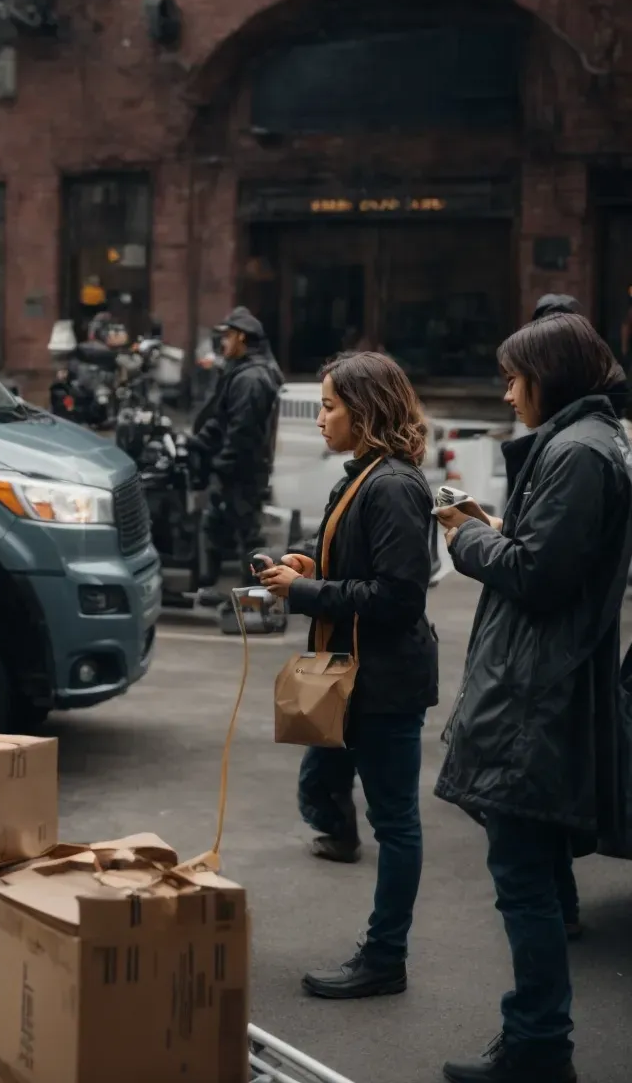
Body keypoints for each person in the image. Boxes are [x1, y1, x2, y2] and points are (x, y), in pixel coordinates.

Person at [432, 313, 632, 1083]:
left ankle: (540, 1046)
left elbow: (539, 574)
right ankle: (535, 1040)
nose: (508, 391)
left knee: (524, 880)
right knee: (536, 873)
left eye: (515, 377)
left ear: (550, 377)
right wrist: (496, 526)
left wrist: (465, 537)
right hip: (548, 683)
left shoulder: (580, 452)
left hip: (535, 692)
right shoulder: (591, 442)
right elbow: (550, 552)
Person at [254, 352, 437, 1001]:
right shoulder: (368, 475)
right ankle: (382, 951)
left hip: (383, 683)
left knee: (396, 825)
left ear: (364, 411)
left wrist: (305, 591)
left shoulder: (391, 485)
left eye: (330, 406)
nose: (321, 418)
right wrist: (316, 564)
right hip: (359, 675)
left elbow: (396, 598)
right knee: (377, 812)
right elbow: (366, 568)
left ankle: (385, 957)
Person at [190, 307, 281, 586]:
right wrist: (196, 443)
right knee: (217, 527)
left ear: (241, 337)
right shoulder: (242, 372)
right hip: (237, 471)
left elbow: (243, 432)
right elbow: (220, 418)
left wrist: (222, 465)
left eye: (227, 336)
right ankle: (210, 586)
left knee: (247, 535)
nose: (223, 343)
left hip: (242, 473)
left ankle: (257, 594)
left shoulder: (251, 379)